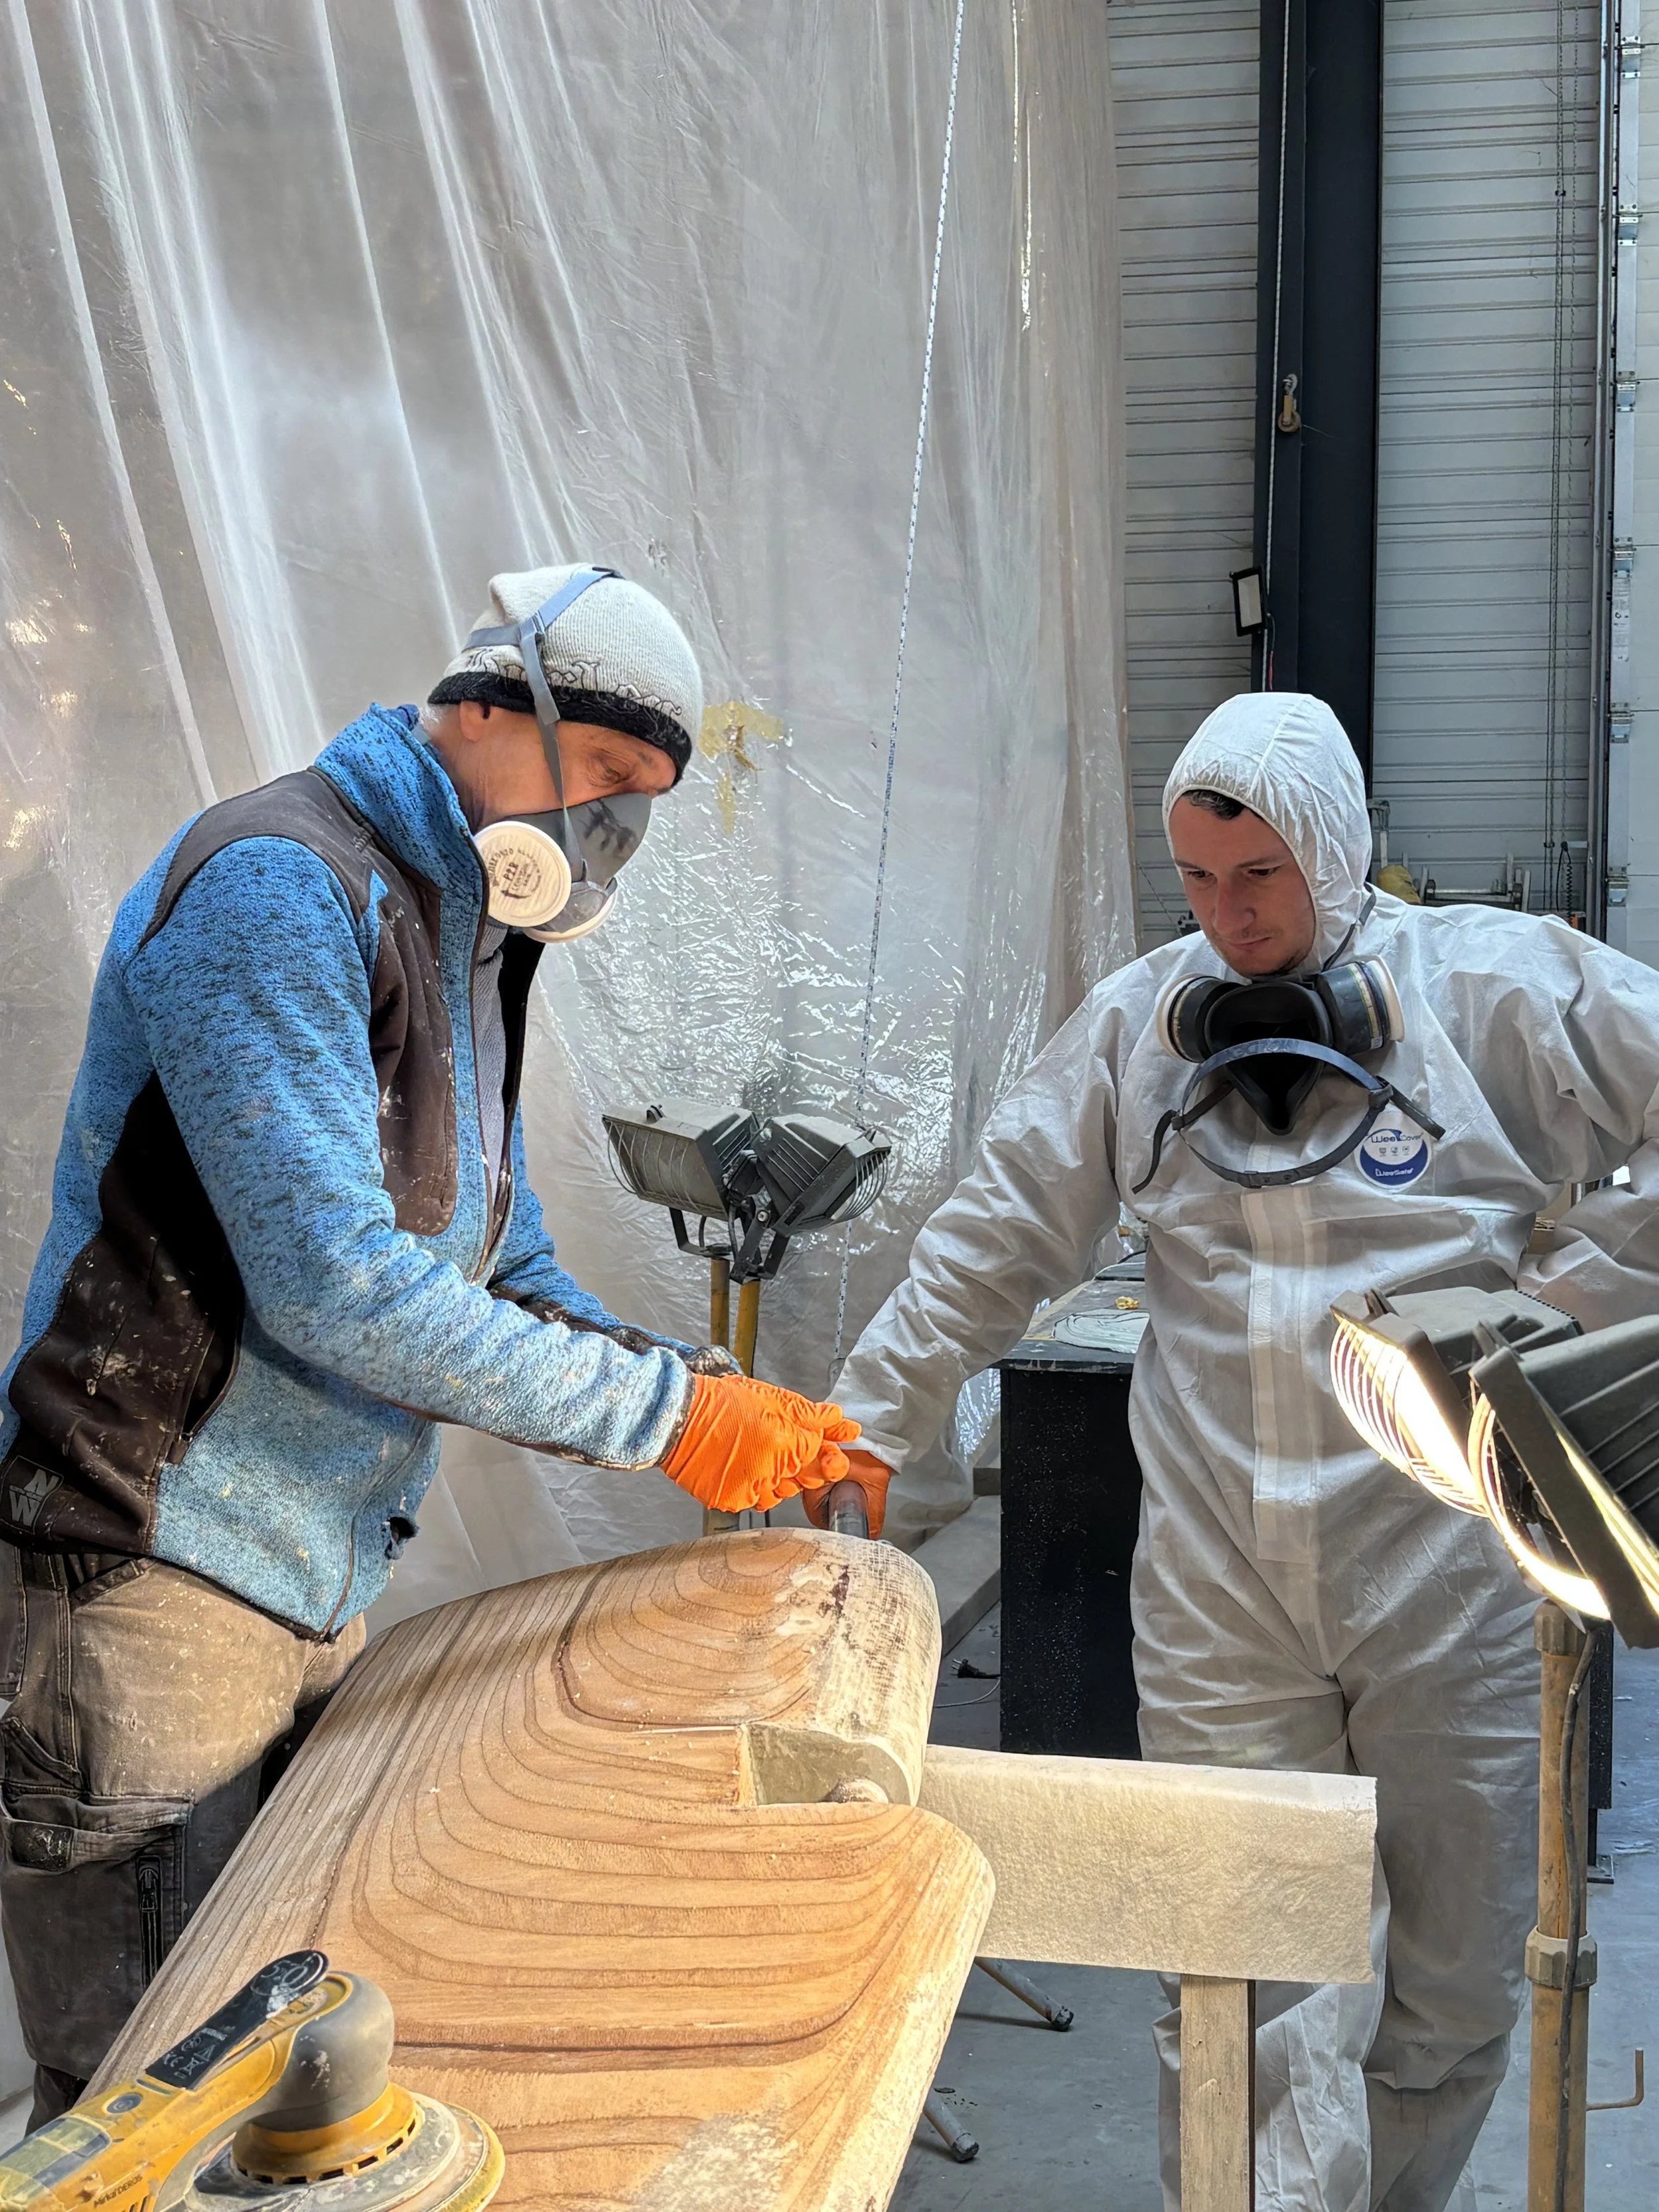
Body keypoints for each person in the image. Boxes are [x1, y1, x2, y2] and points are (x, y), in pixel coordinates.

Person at [0, 563, 855, 2121]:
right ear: (484, 704)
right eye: (604, 772)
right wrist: (665, 1423)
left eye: (642, 802)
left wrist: (699, 1386)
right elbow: (336, 1284)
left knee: (273, 2072)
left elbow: (489, 1249)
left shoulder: (465, 923)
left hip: (301, 1570)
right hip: (147, 1565)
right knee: (145, 2097)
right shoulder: (279, 883)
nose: (611, 830)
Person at [830, 690, 1659, 2212]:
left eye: (1259, 874)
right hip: (1219, 1582)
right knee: (1234, 1971)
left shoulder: (1486, 991)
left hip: (1449, 1567)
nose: (1229, 917)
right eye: (1198, 880)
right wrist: (871, 1422)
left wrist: (1575, 1292)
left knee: (1451, 1976)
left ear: (1331, 848)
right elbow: (989, 1238)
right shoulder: (1141, 1031)